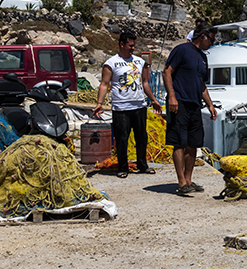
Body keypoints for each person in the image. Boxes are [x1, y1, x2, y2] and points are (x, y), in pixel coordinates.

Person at [93, 31, 162, 178]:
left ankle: (142, 165)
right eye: (130, 45)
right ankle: (123, 167)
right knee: (122, 138)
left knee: (141, 137)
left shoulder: (139, 62)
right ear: (122, 44)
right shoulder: (111, 63)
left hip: (139, 106)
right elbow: (104, 84)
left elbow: (145, 83)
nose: (132, 48)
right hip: (121, 107)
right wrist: (99, 103)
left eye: (134, 46)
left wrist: (154, 100)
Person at [163, 23, 218, 195]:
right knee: (179, 142)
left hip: (195, 104)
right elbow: (167, 72)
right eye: (212, 40)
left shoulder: (203, 57)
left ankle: (189, 179)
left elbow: (202, 84)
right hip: (179, 101)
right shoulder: (182, 50)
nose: (212, 44)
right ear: (203, 37)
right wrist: (171, 96)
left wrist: (210, 104)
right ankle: (181, 182)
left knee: (194, 142)